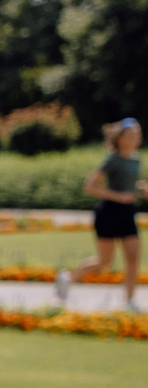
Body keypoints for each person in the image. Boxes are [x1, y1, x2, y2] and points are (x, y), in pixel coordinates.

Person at [68, 118, 142, 309]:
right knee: (104, 262)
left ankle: (130, 300)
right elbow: (90, 187)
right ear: (119, 138)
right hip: (108, 212)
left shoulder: (135, 158)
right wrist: (119, 196)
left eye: (137, 134)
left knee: (133, 257)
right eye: (130, 134)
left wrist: (140, 188)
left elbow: (127, 185)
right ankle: (69, 278)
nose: (135, 138)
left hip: (127, 213)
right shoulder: (113, 160)